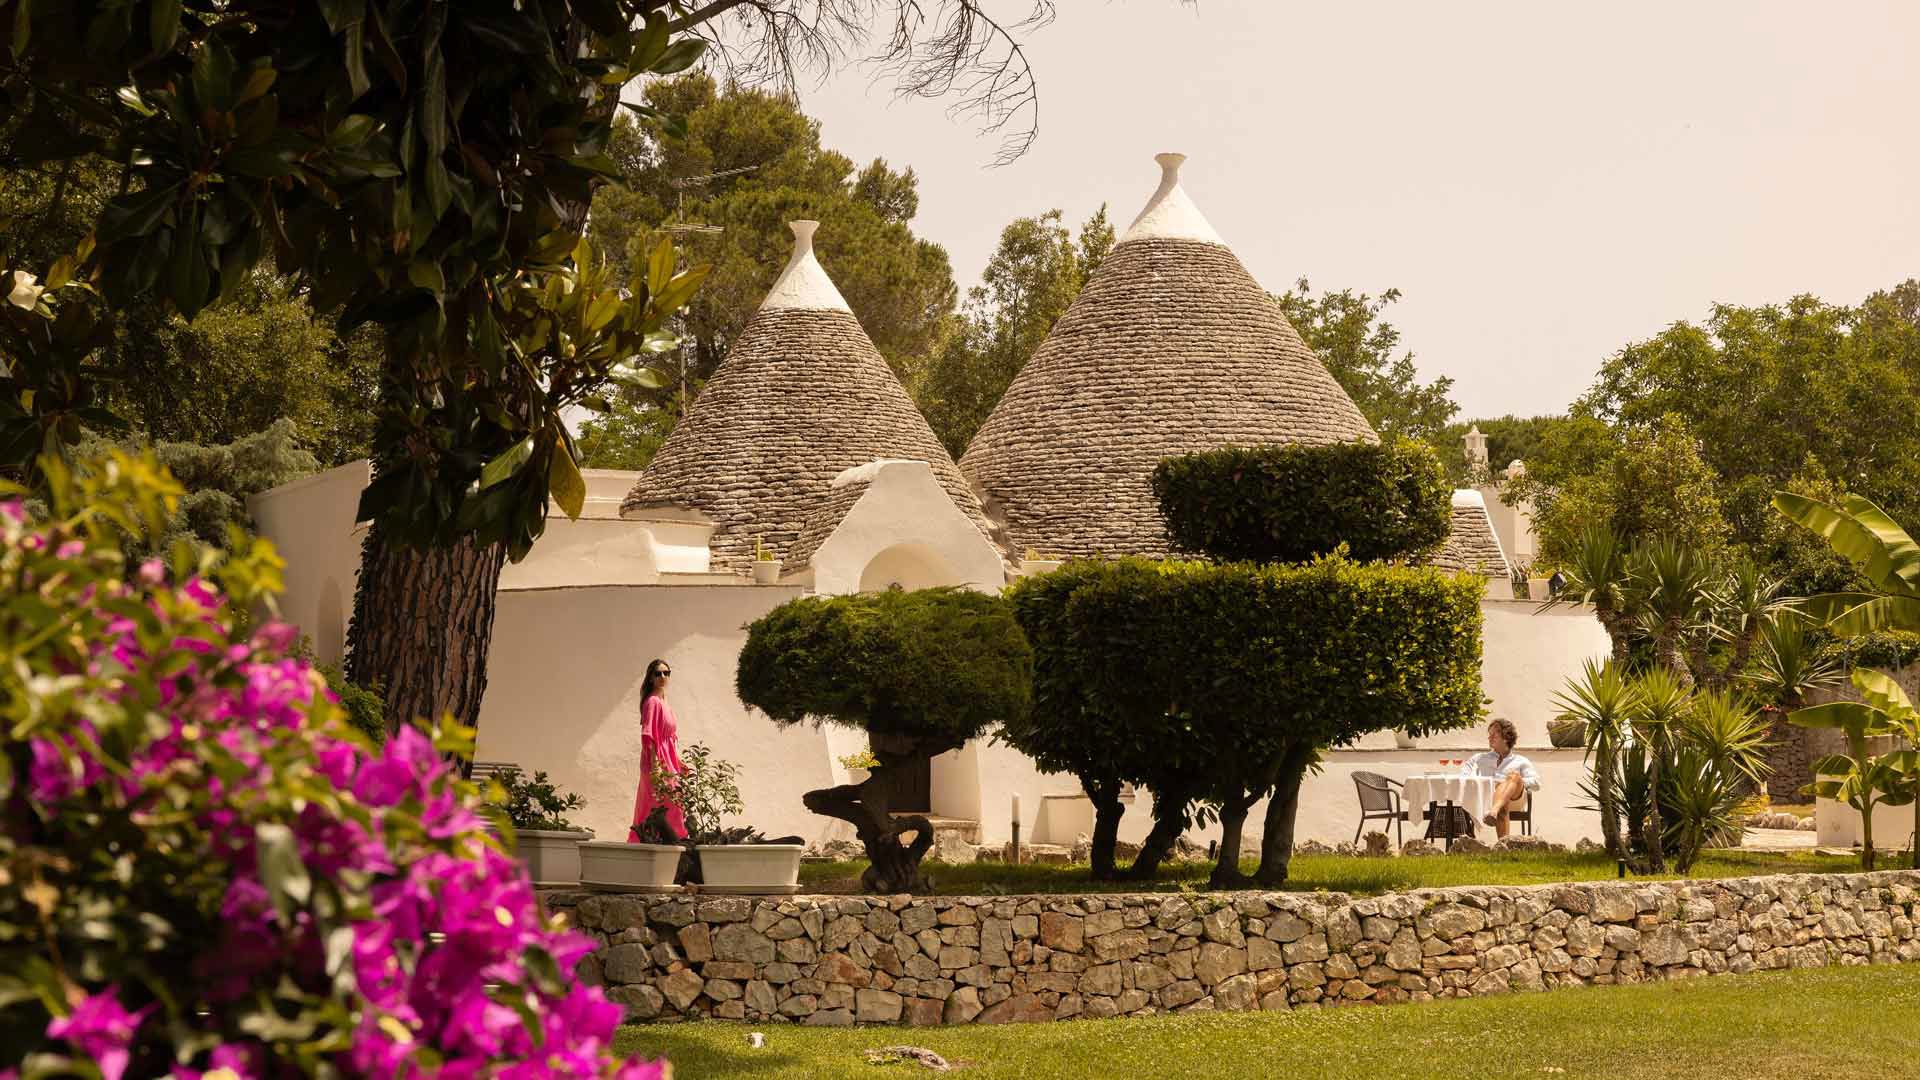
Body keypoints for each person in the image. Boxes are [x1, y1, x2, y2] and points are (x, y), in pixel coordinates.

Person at [629, 659, 687, 841]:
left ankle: (673, 842)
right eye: (658, 673)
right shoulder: (652, 702)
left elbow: (669, 738)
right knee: (659, 803)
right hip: (657, 762)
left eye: (666, 673)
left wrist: (678, 761)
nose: (663, 677)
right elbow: (650, 736)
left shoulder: (665, 703)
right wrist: (656, 766)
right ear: (651, 678)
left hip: (667, 760)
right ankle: (651, 842)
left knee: (673, 801)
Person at [1460, 717, 1540, 838]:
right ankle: (1502, 847)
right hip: (1485, 797)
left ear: (1506, 738)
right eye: (1489, 735)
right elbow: (1463, 776)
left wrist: (1509, 783)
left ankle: (1494, 811)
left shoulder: (1521, 761)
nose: (1489, 738)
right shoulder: (1478, 758)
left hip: (1515, 800)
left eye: (1494, 735)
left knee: (1514, 776)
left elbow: (1536, 783)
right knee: (1503, 803)